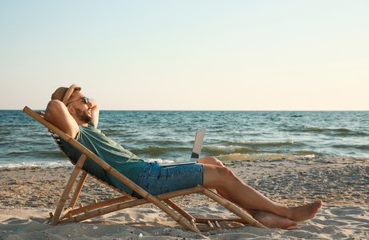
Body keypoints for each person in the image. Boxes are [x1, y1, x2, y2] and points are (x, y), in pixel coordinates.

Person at [45, 84, 322, 229]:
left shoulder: (87, 130)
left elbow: (95, 109)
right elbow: (54, 105)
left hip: (149, 170)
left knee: (212, 162)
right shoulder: (75, 134)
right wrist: (67, 100)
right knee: (221, 175)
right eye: (81, 99)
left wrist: (85, 101)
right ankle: (284, 211)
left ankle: (256, 214)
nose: (89, 102)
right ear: (68, 109)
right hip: (146, 179)